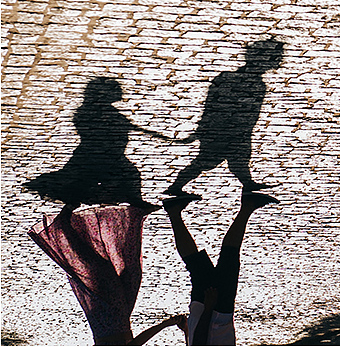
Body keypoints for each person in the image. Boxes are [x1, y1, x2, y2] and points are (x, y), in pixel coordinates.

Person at [29, 204, 187, 345]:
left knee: (97, 268)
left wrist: (166, 324)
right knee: (131, 273)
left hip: (108, 321)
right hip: (118, 320)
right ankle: (134, 218)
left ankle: (62, 228)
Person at [165, 40, 284, 197]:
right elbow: (212, 106)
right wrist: (204, 129)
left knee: (239, 161)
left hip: (238, 132)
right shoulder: (234, 80)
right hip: (222, 131)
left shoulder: (252, 83)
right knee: (206, 161)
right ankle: (176, 186)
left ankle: (248, 183)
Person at [162, 192, 279, 345]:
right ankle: (174, 212)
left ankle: (248, 207)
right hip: (208, 315)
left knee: (228, 259)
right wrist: (188, 332)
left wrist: (209, 307)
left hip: (215, 314)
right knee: (197, 264)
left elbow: (200, 343)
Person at [26, 77, 153, 207]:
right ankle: (134, 201)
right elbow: (94, 131)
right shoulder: (89, 112)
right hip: (98, 156)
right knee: (126, 176)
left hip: (110, 155)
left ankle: (133, 201)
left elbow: (125, 125)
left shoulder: (105, 111)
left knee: (85, 186)